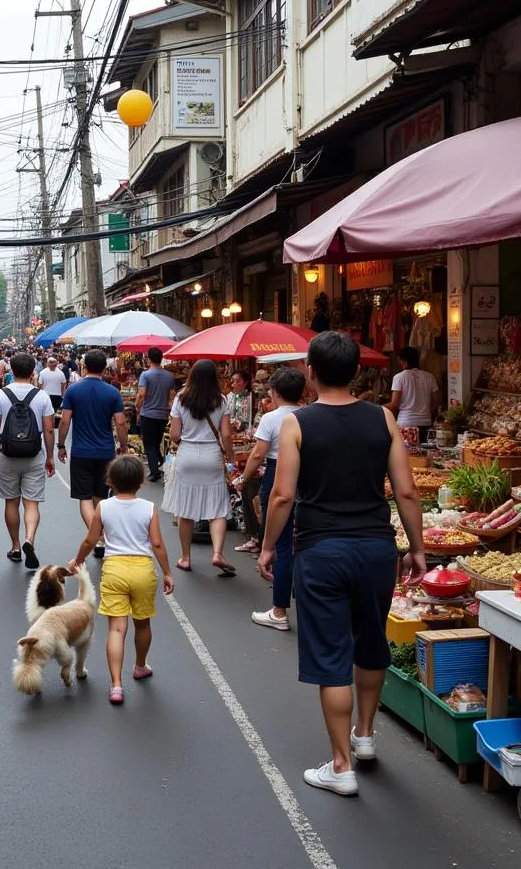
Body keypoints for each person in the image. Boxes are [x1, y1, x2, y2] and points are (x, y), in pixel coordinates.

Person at [259, 331, 425, 797]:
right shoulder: (383, 418)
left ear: (310, 371)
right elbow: (406, 491)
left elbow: (283, 495)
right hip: (375, 549)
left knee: (331, 654)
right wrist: (417, 548)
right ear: (357, 371)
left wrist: (270, 546)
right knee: (371, 642)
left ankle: (341, 764)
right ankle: (366, 736)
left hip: (321, 551)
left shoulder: (297, 424)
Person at [68, 455, 174, 705]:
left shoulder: (103, 507)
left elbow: (90, 540)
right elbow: (157, 543)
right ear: (141, 481)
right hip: (142, 570)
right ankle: (139, 665)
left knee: (117, 628)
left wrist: (78, 560)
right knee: (142, 624)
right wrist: (168, 572)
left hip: (114, 569)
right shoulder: (149, 508)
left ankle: (116, 685)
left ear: (110, 481)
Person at [233, 368, 306, 627]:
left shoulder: (271, 418)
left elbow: (257, 454)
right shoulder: (308, 414)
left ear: (274, 393)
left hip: (278, 473)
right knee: (304, 542)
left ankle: (279, 610)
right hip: (308, 478)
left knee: (282, 543)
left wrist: (242, 479)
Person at [163, 359, 236, 576]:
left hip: (187, 454)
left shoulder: (180, 398)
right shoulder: (221, 400)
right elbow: (226, 434)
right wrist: (230, 458)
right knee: (218, 508)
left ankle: (186, 558)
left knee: (185, 510)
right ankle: (217, 553)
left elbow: (175, 435)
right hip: (212, 454)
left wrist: (186, 439)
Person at [0, 352, 55, 569]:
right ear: (33, 372)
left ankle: (15, 546)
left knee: (11, 501)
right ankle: (29, 539)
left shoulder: (1, 395)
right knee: (31, 502)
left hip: (7, 454)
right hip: (34, 454)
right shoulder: (41, 396)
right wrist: (50, 456)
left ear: (11, 371)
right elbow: (49, 429)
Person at [57, 350, 128, 558]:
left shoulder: (73, 391)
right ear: (105, 368)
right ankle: (101, 536)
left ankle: (98, 537)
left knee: (84, 497)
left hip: (81, 452)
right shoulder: (112, 392)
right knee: (100, 496)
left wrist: (61, 445)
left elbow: (64, 420)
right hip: (105, 451)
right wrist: (124, 448)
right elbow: (121, 422)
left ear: (84, 366)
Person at [136, 347, 176, 482]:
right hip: (163, 414)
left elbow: (141, 394)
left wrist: (137, 407)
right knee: (156, 442)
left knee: (149, 444)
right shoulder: (169, 376)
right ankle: (160, 464)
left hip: (148, 413)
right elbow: (172, 396)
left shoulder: (145, 375)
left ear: (148, 359)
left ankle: (155, 472)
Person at [387, 345, 440, 430]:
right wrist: (426, 412)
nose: (400, 363)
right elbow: (436, 401)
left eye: (400, 360)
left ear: (404, 361)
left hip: (405, 423)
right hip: (425, 422)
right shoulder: (430, 377)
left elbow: (394, 404)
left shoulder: (399, 377)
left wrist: (378, 407)